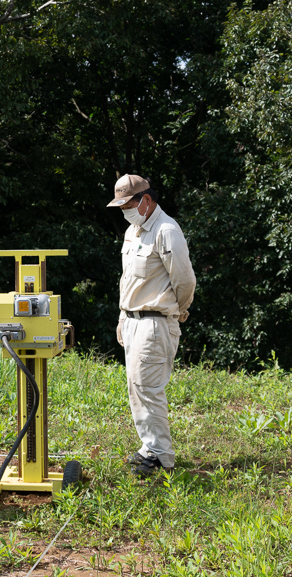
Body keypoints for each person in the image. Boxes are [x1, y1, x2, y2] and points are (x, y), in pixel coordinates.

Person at [107, 174, 195, 477]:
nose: (125, 212)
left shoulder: (166, 230)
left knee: (149, 388)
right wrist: (122, 316)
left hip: (155, 323)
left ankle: (161, 457)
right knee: (137, 388)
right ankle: (150, 447)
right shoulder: (133, 231)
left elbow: (184, 280)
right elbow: (128, 279)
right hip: (132, 321)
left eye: (128, 205)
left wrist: (177, 312)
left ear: (146, 199)